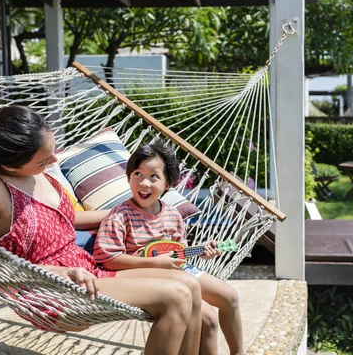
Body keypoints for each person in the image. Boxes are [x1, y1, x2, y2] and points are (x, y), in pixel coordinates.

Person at [0, 105, 203, 355]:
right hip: (49, 288)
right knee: (176, 297)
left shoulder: (37, 173)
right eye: (45, 160)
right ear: (13, 164)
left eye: (52, 151)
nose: (54, 160)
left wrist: (132, 213)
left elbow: (66, 219)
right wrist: (62, 272)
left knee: (189, 284)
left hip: (87, 270)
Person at [93, 143, 244, 355]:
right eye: (137, 174)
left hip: (177, 271)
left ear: (168, 184)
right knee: (208, 319)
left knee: (230, 297)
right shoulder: (120, 215)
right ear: (128, 178)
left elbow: (178, 253)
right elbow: (107, 259)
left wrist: (199, 251)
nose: (144, 183)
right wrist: (154, 263)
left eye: (154, 176)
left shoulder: (173, 215)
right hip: (141, 275)